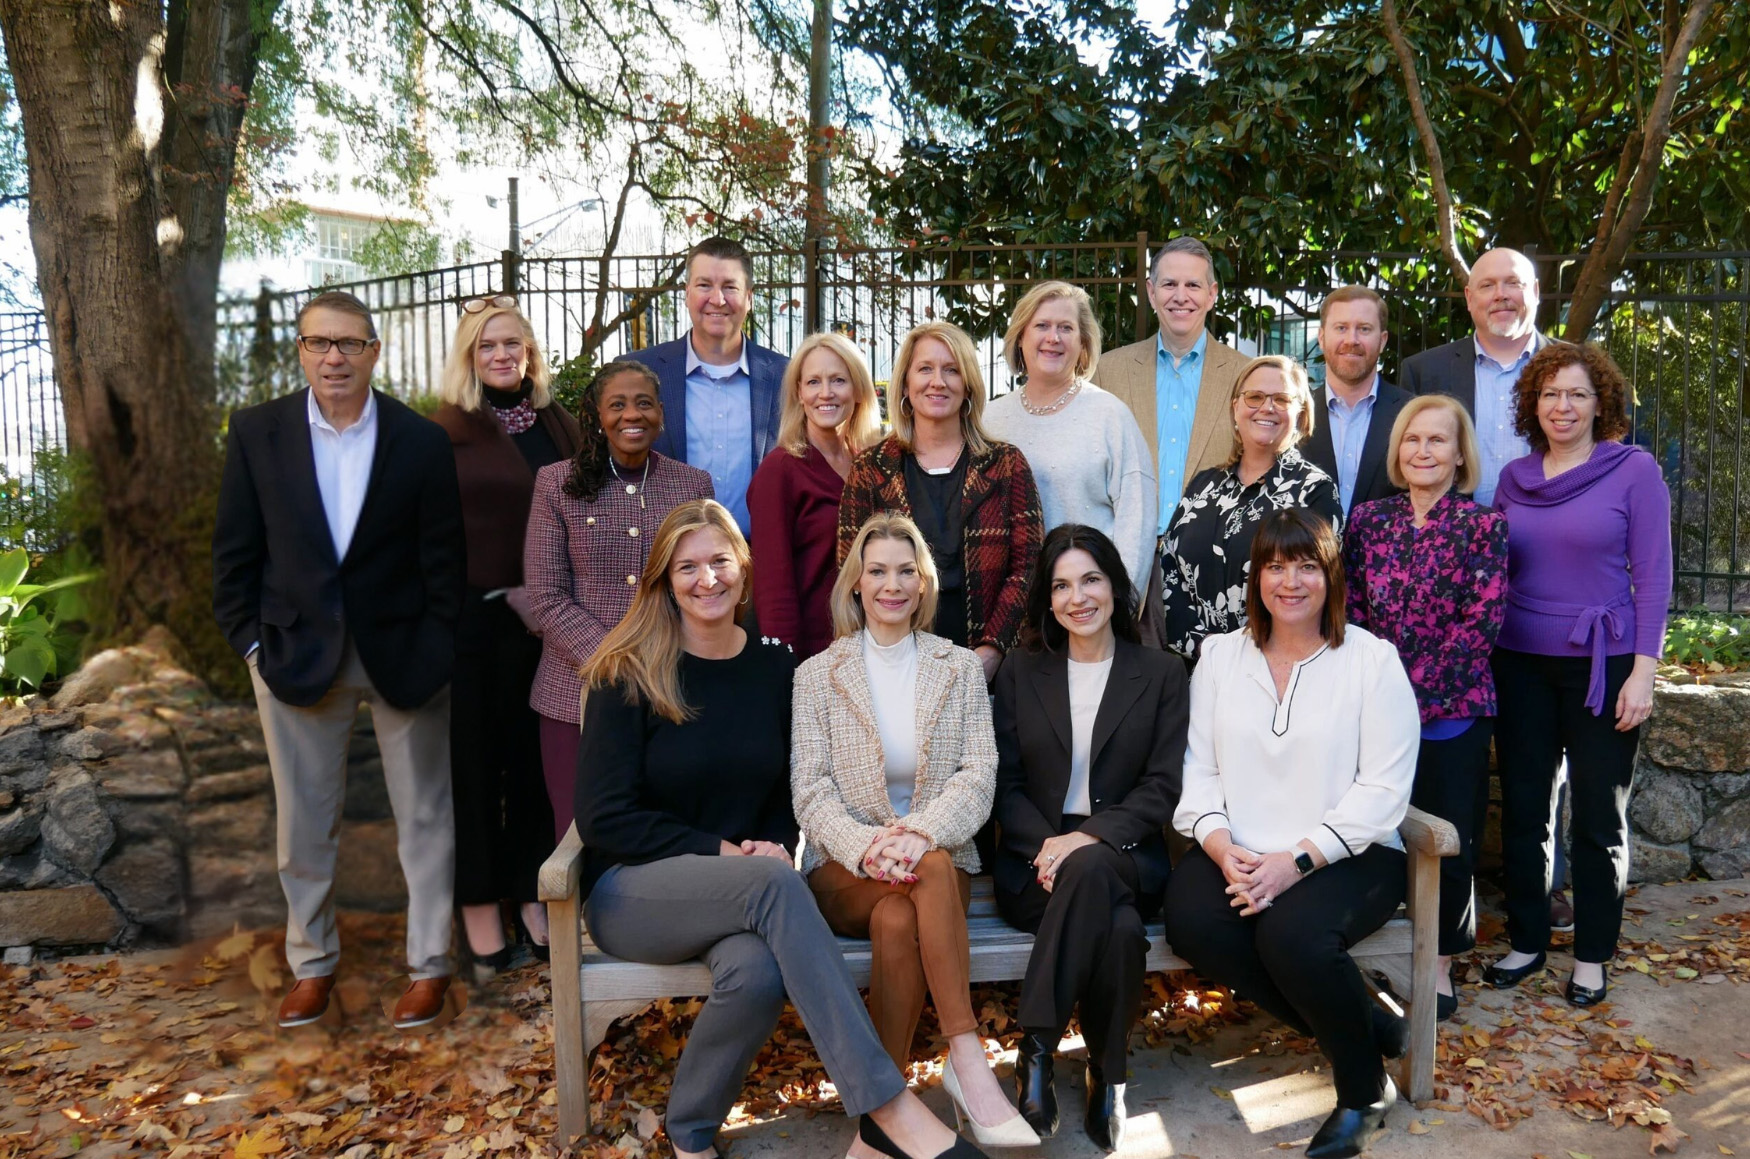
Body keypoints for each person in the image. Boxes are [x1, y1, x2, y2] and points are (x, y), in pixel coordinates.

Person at [575, 500, 987, 1159]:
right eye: (688, 566)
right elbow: (603, 815)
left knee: (758, 970)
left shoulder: (772, 666)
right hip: (634, 890)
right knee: (770, 882)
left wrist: (766, 840)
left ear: (742, 569)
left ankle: (689, 1133)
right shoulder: (625, 670)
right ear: (663, 579)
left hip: (741, 892)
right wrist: (726, 852)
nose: (707, 578)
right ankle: (887, 1105)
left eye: (719, 561)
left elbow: (780, 787)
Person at [212, 289, 464, 1030]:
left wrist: (440, 642)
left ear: (374, 352)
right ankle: (312, 964)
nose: (333, 357)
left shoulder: (419, 440)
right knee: (303, 824)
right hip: (293, 652)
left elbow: (446, 561)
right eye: (318, 343)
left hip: (404, 652)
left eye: (349, 344)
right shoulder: (259, 433)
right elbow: (234, 557)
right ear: (299, 350)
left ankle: (429, 966)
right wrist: (253, 645)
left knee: (424, 816)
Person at [1165, 509, 1418, 1159]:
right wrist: (1223, 848)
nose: (1291, 580)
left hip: (1349, 853)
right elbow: (1200, 772)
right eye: (1276, 565)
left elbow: (1384, 791)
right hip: (1241, 848)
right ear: (1257, 576)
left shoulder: (1371, 660)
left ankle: (1362, 1090)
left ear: (1331, 574)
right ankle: (1366, 1022)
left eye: (1308, 564)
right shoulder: (1222, 656)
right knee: (1193, 921)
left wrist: (1295, 861)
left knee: (1293, 935)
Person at [792, 513, 1035, 1148]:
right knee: (902, 894)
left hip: (938, 864)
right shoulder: (817, 675)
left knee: (905, 910)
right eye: (877, 571)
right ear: (856, 584)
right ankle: (966, 1056)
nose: (891, 585)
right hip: (845, 871)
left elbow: (979, 775)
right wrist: (868, 846)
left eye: (906, 571)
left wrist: (919, 832)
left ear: (924, 585)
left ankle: (878, 1123)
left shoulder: (957, 669)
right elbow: (810, 790)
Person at [1482, 343, 1671, 1008]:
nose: (1563, 406)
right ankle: (1528, 941)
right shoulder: (1513, 478)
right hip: (1520, 662)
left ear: (1602, 404)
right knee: (1527, 810)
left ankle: (1592, 953)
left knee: (1597, 816)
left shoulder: (1634, 471)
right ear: (1534, 404)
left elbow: (1653, 577)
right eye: (1550, 394)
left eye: (1577, 395)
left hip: (1605, 662)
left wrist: (1643, 673)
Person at [992, 525, 1188, 1152]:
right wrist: (1049, 845)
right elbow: (1005, 782)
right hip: (1035, 861)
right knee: (1123, 931)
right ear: (1047, 601)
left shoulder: (1160, 673)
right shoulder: (1024, 670)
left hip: (1125, 855)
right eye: (1062, 585)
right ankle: (1110, 1075)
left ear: (1114, 586)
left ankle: (1039, 1049)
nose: (1078, 597)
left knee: (1094, 871)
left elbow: (1161, 788)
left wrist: (1088, 840)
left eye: (1091, 580)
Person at [431, 295, 582, 978]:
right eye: (488, 344)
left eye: (513, 344)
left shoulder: (558, 424)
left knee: (532, 771)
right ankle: (479, 911)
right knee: (470, 771)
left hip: (545, 625)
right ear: (469, 354)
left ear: (530, 353)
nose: (501, 355)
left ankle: (529, 893)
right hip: (471, 622)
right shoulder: (444, 429)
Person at [1343, 395, 1508, 1021]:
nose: (1423, 451)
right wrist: (1379, 692)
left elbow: (1479, 626)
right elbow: (1351, 607)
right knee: (1377, 835)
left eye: (1438, 441)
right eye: (1413, 439)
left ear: (1460, 454)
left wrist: (1407, 698)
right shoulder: (1369, 521)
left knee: (1447, 839)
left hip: (1452, 713)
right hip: (1372, 709)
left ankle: (1436, 963)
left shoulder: (1484, 527)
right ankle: (1371, 951)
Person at [524, 362, 713, 839]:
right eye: (618, 404)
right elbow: (545, 597)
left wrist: (655, 662)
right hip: (573, 694)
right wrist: (620, 660)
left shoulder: (691, 486)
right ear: (596, 416)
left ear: (662, 414)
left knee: (657, 829)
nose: (633, 414)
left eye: (644, 403)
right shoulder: (556, 483)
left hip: (669, 690)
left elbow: (700, 583)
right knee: (576, 836)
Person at [837, 321, 1044, 684]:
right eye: (925, 369)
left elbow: (1029, 567)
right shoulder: (870, 469)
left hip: (991, 667)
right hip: (895, 663)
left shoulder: (1007, 465)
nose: (938, 381)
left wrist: (992, 651)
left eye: (952, 370)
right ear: (905, 383)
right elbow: (850, 570)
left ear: (967, 386)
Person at [1093, 236, 1250, 645]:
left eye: (1194, 285)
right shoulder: (1109, 372)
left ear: (1212, 294)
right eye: (1169, 285)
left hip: (1217, 570)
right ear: (1150, 291)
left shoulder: (1245, 376)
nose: (1181, 297)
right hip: (1131, 565)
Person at [1159, 355, 1341, 664]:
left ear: (1301, 412)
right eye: (1254, 397)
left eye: (1282, 399)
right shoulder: (1204, 485)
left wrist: (1245, 654)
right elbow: (1169, 570)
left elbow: (1311, 587)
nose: (1267, 407)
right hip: (1198, 668)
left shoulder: (1315, 490)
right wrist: (1208, 649)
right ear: (1235, 408)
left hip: (1275, 668)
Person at [984, 281, 1156, 596]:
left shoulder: (1110, 416)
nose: (1054, 337)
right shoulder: (990, 420)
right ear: (1021, 336)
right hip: (1007, 605)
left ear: (1083, 343)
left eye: (1066, 327)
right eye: (1042, 326)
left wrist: (1119, 604)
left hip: (1086, 604)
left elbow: (1138, 520)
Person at [620, 236, 788, 534]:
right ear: (686, 293)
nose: (717, 299)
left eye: (730, 287)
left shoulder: (784, 376)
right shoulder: (636, 372)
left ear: (749, 297)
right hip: (665, 560)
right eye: (704, 285)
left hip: (758, 562)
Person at [748, 332, 883, 660]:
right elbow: (772, 588)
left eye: (838, 380)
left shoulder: (873, 465)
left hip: (876, 649)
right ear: (798, 392)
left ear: (858, 389)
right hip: (813, 655)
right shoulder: (779, 470)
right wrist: (785, 670)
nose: (826, 393)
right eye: (813, 382)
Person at [1400, 248, 1556, 506]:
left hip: (1549, 534)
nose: (1501, 294)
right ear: (1469, 298)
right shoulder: (1424, 372)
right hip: (1451, 537)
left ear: (1536, 292)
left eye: (1513, 283)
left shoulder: (1577, 369)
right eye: (1487, 285)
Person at [1302, 286, 1412, 516]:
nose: (1351, 340)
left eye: (1364, 329)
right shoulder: (1295, 414)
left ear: (1382, 341)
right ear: (1322, 337)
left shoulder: (1410, 414)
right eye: (1341, 328)